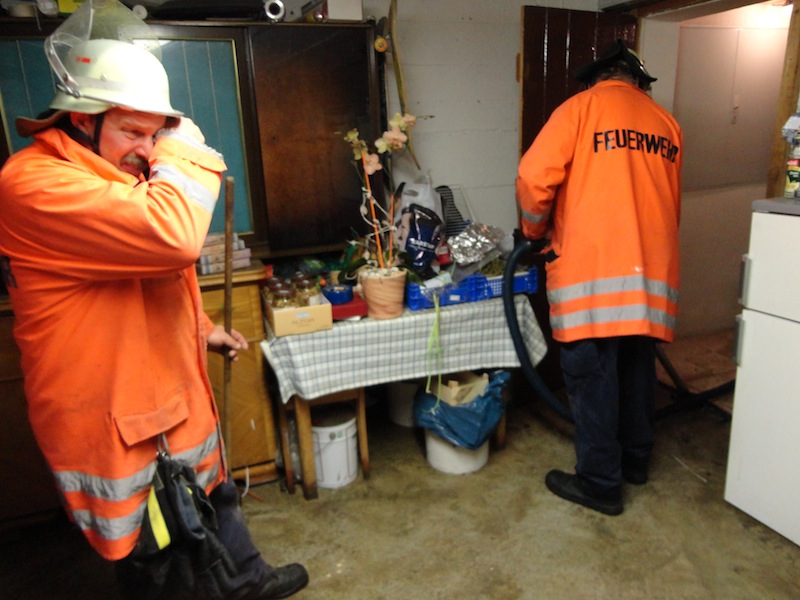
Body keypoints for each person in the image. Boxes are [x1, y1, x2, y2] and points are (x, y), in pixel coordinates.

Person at [0, 4, 308, 599]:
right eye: (133, 132)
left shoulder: (116, 178)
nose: (147, 150)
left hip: (168, 399)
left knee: (215, 501)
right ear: (81, 120)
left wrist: (201, 327)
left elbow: (154, 278)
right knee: (160, 553)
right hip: (118, 422)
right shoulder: (35, 184)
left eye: (155, 134)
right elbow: (171, 239)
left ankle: (249, 582)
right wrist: (180, 148)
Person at [516, 40, 683, 516]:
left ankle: (599, 484)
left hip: (591, 278)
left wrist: (534, 232)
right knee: (637, 372)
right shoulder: (667, 124)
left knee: (592, 380)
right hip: (649, 279)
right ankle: (635, 463)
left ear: (595, 79)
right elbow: (671, 203)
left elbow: (533, 178)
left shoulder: (579, 109)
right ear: (638, 83)